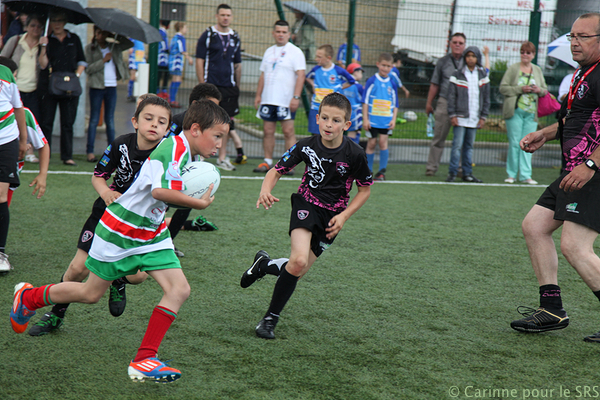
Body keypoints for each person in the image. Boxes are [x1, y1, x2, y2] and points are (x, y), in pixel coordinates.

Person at [10, 99, 230, 382]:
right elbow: (160, 192)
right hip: (121, 231)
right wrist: (197, 203)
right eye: (217, 136)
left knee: (179, 289)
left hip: (150, 232)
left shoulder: (184, 151)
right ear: (196, 129)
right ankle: (28, 297)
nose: (219, 144)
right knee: (90, 294)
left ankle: (144, 359)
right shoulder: (174, 148)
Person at [27, 95, 167, 336]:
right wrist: (106, 193)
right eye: (148, 118)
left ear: (167, 129)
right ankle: (56, 313)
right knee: (77, 269)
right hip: (106, 215)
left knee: (138, 277)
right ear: (135, 121)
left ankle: (118, 279)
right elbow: (99, 175)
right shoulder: (121, 144)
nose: (155, 124)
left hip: (138, 224)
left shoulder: (167, 154)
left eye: (162, 121)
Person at [240, 92, 372, 339]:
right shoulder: (306, 146)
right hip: (306, 205)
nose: (329, 125)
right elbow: (276, 170)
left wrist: (344, 216)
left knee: (296, 270)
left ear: (346, 124)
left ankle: (263, 265)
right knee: (298, 261)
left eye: (336, 120)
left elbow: (364, 190)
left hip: (332, 218)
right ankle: (269, 319)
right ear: (317, 118)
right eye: (325, 118)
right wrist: (265, 190)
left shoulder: (355, 154)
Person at [509, 13, 600, 343]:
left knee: (575, 247)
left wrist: (590, 165)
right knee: (534, 226)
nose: (574, 42)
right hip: (573, 172)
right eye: (572, 36)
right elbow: (570, 120)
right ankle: (551, 309)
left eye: (583, 36)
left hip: (592, 173)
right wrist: (543, 134)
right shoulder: (582, 74)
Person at [165, 83, 221, 258]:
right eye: (210, 107)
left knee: (187, 204)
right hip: (169, 171)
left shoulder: (206, 126)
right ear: (195, 104)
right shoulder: (176, 122)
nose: (214, 112)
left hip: (188, 171)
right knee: (161, 205)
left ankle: (168, 242)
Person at [195, 3, 246, 170]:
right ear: (217, 16)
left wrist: (237, 86)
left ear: (231, 17)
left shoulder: (235, 37)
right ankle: (201, 156)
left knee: (225, 125)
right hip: (211, 86)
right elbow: (199, 60)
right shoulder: (208, 35)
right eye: (223, 15)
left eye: (228, 15)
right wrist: (202, 84)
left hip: (229, 87)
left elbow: (237, 64)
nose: (225, 18)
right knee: (205, 121)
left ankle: (222, 158)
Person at [253, 20, 306, 173]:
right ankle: (267, 162)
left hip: (286, 100)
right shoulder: (268, 51)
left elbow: (301, 75)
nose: (281, 35)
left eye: (284, 32)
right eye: (278, 32)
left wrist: (296, 97)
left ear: (289, 34)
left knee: (288, 131)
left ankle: (289, 164)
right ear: (273, 33)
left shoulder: (295, 52)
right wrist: (258, 95)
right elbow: (263, 75)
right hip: (268, 99)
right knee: (268, 131)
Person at [37, 10, 86, 166]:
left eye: (59, 20)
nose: (57, 24)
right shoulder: (47, 40)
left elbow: (82, 61)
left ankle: (67, 156)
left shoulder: (74, 38)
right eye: (54, 20)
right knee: (46, 122)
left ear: (65, 22)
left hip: (70, 85)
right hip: (49, 85)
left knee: (68, 122)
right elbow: (42, 65)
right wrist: (43, 47)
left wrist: (76, 76)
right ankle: (45, 154)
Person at [0, 56, 49, 208]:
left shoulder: (25, 114)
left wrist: (42, 175)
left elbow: (43, 145)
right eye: (13, 77)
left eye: (15, 77)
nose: (14, 81)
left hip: (8, 175)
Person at [499, 41, 549, 184]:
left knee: (529, 143)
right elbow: (503, 88)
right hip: (515, 111)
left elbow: (545, 90)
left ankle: (526, 175)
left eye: (528, 52)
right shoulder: (513, 68)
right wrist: (520, 89)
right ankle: (511, 174)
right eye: (522, 52)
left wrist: (538, 90)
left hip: (531, 113)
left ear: (533, 55)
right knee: (515, 143)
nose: (525, 55)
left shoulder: (537, 70)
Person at [1, 14, 46, 163]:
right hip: (14, 88)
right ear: (26, 26)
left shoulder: (43, 45)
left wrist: (44, 47)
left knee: (29, 119)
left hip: (33, 89)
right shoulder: (16, 41)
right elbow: (3, 60)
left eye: (39, 26)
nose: (36, 29)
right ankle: (12, 147)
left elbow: (44, 65)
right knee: (12, 118)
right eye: (33, 25)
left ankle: (29, 150)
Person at [85, 27, 133, 163]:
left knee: (110, 120)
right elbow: (89, 69)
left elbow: (129, 44)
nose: (100, 35)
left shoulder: (113, 47)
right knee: (94, 120)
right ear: (95, 33)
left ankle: (112, 152)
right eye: (98, 32)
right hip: (97, 86)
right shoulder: (90, 48)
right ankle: (90, 151)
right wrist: (103, 60)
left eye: (103, 33)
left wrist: (114, 35)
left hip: (112, 86)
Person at [0, 63, 29, 274]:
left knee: (1, 195)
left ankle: (0, 253)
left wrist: (23, 141)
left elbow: (18, 107)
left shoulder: (5, 72)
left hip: (6, 139)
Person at [446, 46, 490, 183]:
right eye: (468, 56)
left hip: (474, 118)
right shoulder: (457, 74)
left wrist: (483, 117)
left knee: (469, 147)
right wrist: (452, 115)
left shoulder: (482, 75)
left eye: (473, 56)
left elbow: (486, 98)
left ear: (477, 58)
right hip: (460, 118)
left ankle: (467, 173)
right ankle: (452, 173)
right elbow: (451, 96)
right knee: (457, 146)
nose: (470, 59)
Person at [425, 33, 466, 176]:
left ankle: (459, 168)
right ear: (450, 44)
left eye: (460, 43)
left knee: (460, 139)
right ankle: (431, 167)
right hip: (444, 101)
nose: (457, 45)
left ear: (464, 45)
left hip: (462, 104)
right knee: (439, 137)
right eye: (455, 42)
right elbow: (434, 84)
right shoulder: (442, 62)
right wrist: (429, 103)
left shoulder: (468, 61)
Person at [362, 53, 398, 181]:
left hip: (386, 121)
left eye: (388, 66)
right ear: (378, 64)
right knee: (371, 143)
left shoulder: (392, 83)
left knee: (383, 143)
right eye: (383, 65)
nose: (385, 68)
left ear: (392, 67)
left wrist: (393, 119)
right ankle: (368, 171)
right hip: (372, 121)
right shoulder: (372, 81)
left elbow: (395, 104)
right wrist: (366, 119)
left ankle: (382, 172)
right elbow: (365, 101)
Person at [306, 44, 356, 135]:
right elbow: (308, 77)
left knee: (329, 134)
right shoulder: (316, 70)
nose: (316, 59)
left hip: (332, 109)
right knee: (315, 135)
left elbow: (351, 81)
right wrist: (313, 85)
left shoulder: (338, 71)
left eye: (319, 57)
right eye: (316, 56)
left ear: (328, 58)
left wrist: (340, 87)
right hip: (316, 107)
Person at [168, 22, 193, 108]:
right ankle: (172, 99)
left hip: (173, 61)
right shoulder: (180, 37)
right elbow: (182, 50)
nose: (186, 30)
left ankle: (172, 99)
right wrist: (189, 58)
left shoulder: (174, 37)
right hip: (177, 62)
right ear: (181, 28)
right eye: (185, 28)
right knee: (177, 79)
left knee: (175, 79)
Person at [342, 63, 364, 144]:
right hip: (355, 114)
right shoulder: (358, 86)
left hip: (342, 112)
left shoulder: (343, 84)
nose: (361, 75)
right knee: (354, 134)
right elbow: (363, 99)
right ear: (355, 72)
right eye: (361, 72)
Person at [157, 19, 170, 100]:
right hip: (162, 58)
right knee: (162, 74)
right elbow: (163, 44)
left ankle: (160, 90)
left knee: (161, 74)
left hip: (162, 57)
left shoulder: (161, 32)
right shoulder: (162, 32)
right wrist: (167, 49)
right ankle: (161, 90)